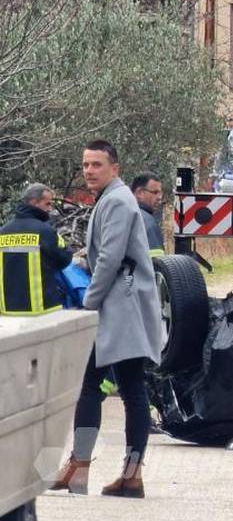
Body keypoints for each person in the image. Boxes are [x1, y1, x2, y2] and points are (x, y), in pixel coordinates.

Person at [51, 140, 164, 498]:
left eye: (96, 164)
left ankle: (83, 468)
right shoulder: (113, 199)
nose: (89, 171)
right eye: (85, 164)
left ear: (114, 168)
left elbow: (111, 259)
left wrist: (89, 302)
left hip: (119, 311)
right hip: (122, 310)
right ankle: (122, 474)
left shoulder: (116, 200)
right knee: (129, 389)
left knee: (106, 388)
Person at [0, 183, 72, 315]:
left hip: (8, 312)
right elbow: (64, 257)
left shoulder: (3, 232)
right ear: (34, 202)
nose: (50, 209)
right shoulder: (45, 231)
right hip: (41, 310)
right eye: (47, 204)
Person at [131, 171, 164, 257]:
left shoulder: (121, 214)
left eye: (160, 193)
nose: (159, 197)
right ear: (139, 193)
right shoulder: (147, 222)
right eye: (155, 192)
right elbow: (157, 263)